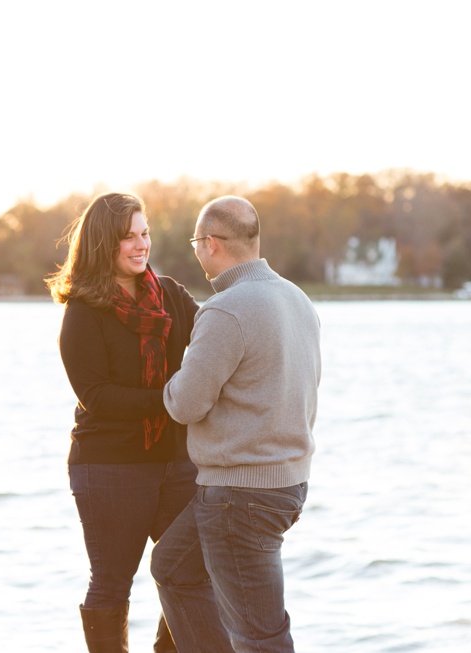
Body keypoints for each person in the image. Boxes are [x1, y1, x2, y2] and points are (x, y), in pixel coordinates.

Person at [150, 195, 321, 653]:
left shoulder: (226, 309)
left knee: (260, 636)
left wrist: (171, 380)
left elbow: (186, 404)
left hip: (239, 496)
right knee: (172, 567)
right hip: (286, 484)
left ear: (210, 244)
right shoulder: (296, 298)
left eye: (195, 243)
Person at [47, 192, 204, 652]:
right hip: (109, 467)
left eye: (144, 233)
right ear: (102, 244)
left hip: (176, 460)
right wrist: (173, 399)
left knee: (191, 570)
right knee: (114, 583)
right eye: (127, 237)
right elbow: (96, 397)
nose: (141, 245)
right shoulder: (83, 311)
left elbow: (216, 337)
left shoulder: (171, 295)